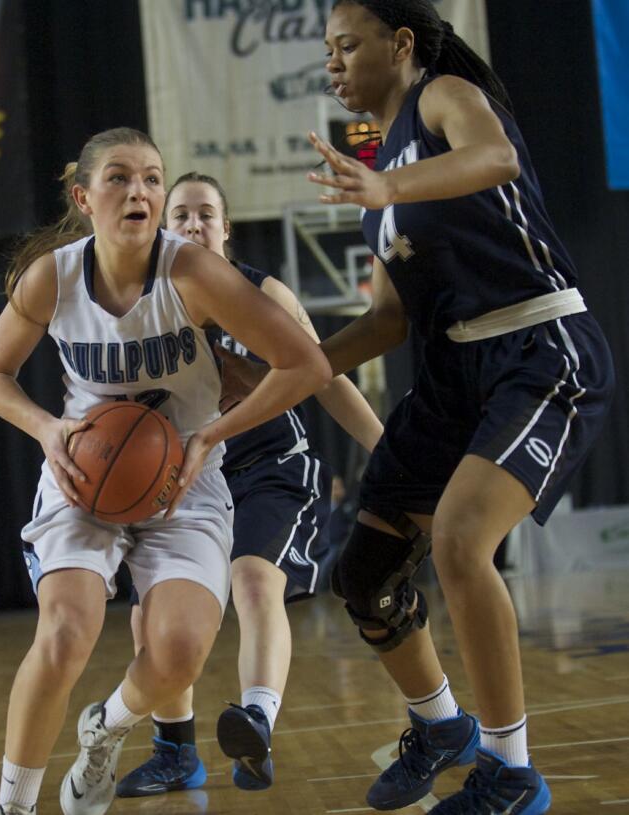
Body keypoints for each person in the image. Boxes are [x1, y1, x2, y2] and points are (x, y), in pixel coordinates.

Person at [288, 2, 613, 812]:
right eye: (326, 51)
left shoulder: (443, 95)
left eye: (347, 45)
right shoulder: (378, 194)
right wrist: (286, 366)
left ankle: (511, 773)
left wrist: (387, 181)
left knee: (464, 541)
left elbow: (495, 156)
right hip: (451, 371)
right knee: (364, 575)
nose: (333, 63)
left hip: (539, 346)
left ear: (399, 45)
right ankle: (439, 725)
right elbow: (389, 320)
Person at [0, 127, 331, 815]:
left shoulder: (192, 271)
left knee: (182, 651)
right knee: (66, 630)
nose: (139, 190)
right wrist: (47, 428)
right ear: (83, 196)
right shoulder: (53, 276)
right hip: (85, 475)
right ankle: (12, 807)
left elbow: (306, 365)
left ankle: (104, 730)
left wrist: (213, 435)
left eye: (152, 178)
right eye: (119, 177)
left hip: (186, 481)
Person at [115, 172, 383, 798]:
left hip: (268, 464)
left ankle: (256, 716)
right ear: (162, 228)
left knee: (254, 579)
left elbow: (328, 376)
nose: (192, 225)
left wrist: (386, 450)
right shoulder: (146, 304)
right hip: (185, 476)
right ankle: (174, 750)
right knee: (152, 616)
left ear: (226, 229)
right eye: (179, 215)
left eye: (206, 214)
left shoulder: (262, 293)